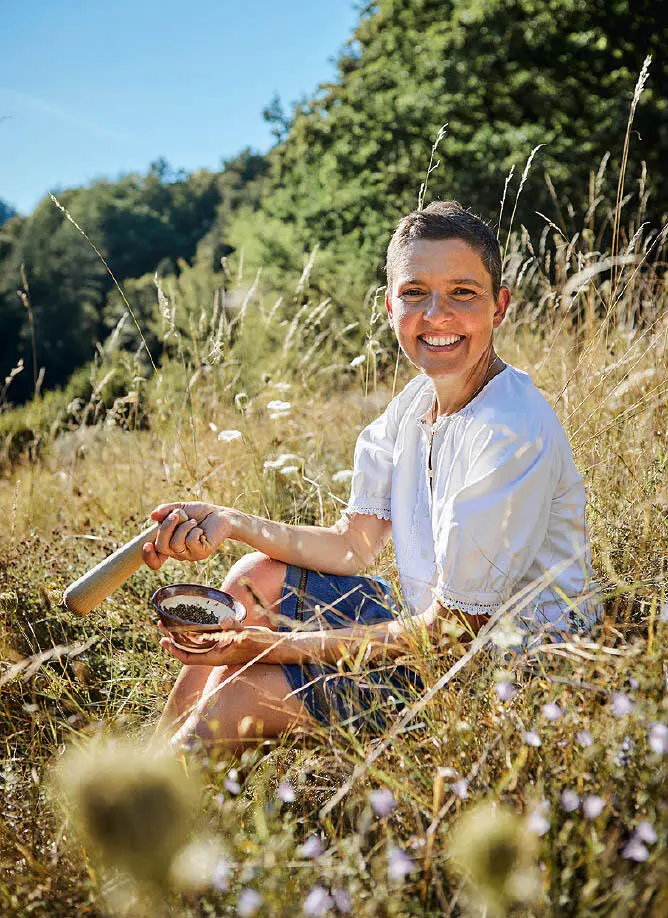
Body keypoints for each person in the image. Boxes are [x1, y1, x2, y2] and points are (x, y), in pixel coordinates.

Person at [144, 201, 599, 753]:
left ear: (499, 307)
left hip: (502, 674)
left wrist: (268, 648)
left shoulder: (509, 431)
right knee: (252, 575)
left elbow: (454, 635)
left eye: (463, 292)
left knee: (240, 695)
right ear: (390, 306)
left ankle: (154, 809)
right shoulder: (414, 407)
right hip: (430, 631)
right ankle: (154, 764)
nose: (436, 314)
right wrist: (230, 521)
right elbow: (352, 546)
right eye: (415, 293)